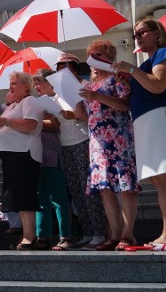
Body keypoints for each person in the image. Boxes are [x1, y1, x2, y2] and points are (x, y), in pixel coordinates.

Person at [113, 17, 166, 246]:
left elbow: (158, 84)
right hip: (147, 120)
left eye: (141, 32)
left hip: (159, 117)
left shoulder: (165, 54)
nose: (137, 36)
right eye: (135, 33)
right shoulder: (147, 63)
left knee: (162, 177)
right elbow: (145, 90)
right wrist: (129, 81)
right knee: (160, 180)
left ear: (157, 33)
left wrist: (130, 69)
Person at [78, 40, 140, 251]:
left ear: (109, 57)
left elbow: (125, 105)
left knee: (125, 187)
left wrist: (97, 96)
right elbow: (83, 115)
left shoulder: (117, 78)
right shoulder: (90, 84)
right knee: (105, 189)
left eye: (100, 54)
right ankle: (114, 234)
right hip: (97, 142)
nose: (95, 58)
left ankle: (127, 234)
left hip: (118, 138)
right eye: (92, 55)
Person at [53, 54, 107, 249]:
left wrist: (75, 116)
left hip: (84, 140)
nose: (60, 71)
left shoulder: (85, 86)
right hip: (65, 143)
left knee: (89, 190)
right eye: (58, 68)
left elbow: (93, 115)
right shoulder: (59, 92)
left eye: (63, 67)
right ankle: (88, 231)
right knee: (76, 190)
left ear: (74, 68)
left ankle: (99, 231)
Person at [0, 72, 43, 250]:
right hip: (12, 156)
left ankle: (30, 236)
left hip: (24, 154)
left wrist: (7, 121)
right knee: (18, 198)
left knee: (25, 195)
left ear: (26, 86)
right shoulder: (13, 104)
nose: (11, 86)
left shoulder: (29, 101)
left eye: (15, 83)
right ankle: (26, 235)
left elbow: (31, 125)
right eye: (10, 83)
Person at [31, 70, 73, 250]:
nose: (36, 86)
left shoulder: (56, 100)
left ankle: (66, 235)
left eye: (38, 81)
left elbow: (55, 124)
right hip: (36, 154)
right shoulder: (36, 103)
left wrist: (36, 121)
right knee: (41, 198)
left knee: (58, 196)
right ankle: (42, 235)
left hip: (51, 152)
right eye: (34, 83)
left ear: (50, 83)